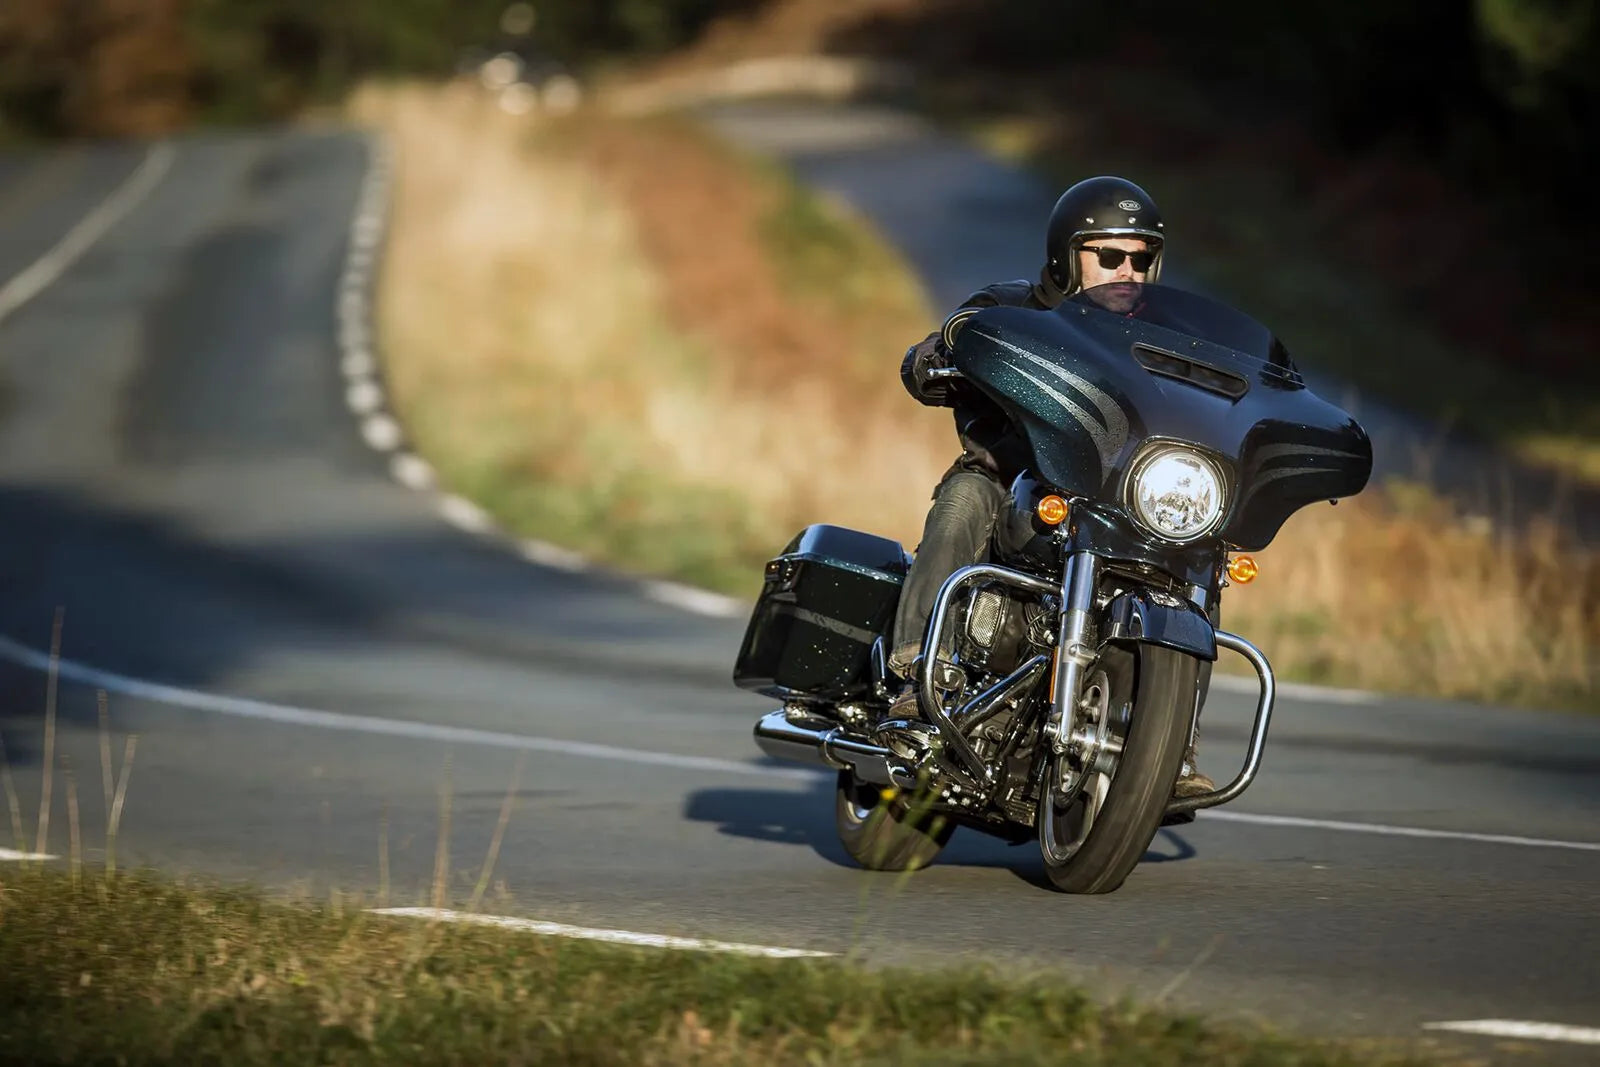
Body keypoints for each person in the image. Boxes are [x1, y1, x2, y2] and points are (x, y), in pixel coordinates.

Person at [889, 174, 1214, 799]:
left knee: (1201, 550)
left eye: (1142, 257)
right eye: (1110, 255)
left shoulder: (1165, 342)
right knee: (963, 500)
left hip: (1118, 508)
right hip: (1013, 485)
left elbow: (1212, 400)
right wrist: (944, 353)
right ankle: (917, 673)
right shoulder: (1014, 308)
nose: (1128, 270)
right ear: (1069, 255)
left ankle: (1175, 744)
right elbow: (942, 346)